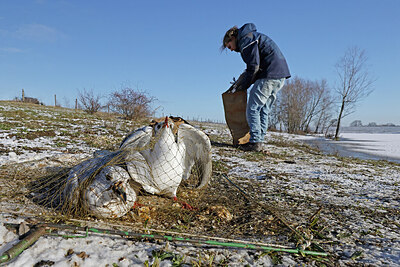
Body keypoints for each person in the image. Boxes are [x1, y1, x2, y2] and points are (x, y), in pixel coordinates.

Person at [222, 23, 291, 152]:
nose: (230, 49)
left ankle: (255, 142)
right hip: (280, 75)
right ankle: (259, 139)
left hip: (269, 74)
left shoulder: (246, 40)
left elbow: (253, 67)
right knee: (263, 109)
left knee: (252, 108)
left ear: (232, 38)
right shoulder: (252, 36)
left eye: (229, 46)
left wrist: (243, 86)